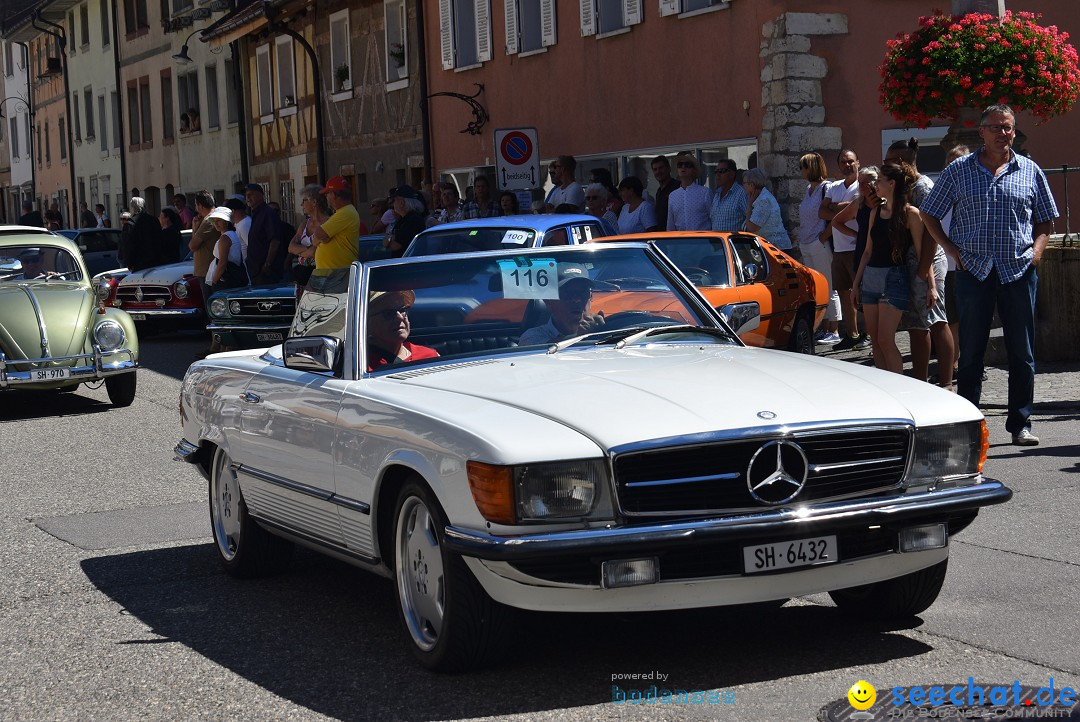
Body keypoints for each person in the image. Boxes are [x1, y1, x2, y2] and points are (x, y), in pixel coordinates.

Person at [921, 105, 1058, 446]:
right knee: (971, 352)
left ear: (1014, 130)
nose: (1002, 133)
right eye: (995, 127)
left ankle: (1021, 423)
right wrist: (952, 252)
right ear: (981, 132)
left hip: (1017, 270)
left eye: (1008, 127)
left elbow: (1045, 221)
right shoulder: (959, 171)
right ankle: (969, 425)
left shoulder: (1029, 170)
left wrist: (1036, 253)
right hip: (974, 271)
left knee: (1022, 352)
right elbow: (929, 213)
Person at [885, 138, 953, 388]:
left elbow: (931, 234)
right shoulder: (903, 187)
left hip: (928, 261)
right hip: (911, 262)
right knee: (916, 323)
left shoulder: (923, 187)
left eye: (889, 162)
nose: (885, 167)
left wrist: (925, 271)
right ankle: (920, 382)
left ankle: (946, 382)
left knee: (935, 319)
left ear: (901, 162)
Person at [851, 162, 925, 375]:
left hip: (894, 278)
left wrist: (930, 285)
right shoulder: (876, 212)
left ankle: (899, 387)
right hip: (871, 277)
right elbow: (867, 251)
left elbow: (921, 253)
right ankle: (886, 388)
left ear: (891, 184)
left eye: (880, 180)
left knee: (885, 339)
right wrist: (856, 285)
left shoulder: (910, 213)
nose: (876, 184)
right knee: (875, 340)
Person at [830, 165, 880, 352]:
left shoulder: (883, 203)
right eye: (860, 183)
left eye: (866, 183)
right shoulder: (858, 203)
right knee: (861, 296)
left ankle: (872, 336)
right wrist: (855, 235)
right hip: (862, 252)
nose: (862, 186)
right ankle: (861, 335)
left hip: (881, 254)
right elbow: (836, 221)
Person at [820, 149, 864, 349]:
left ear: (858, 163)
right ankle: (852, 333)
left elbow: (858, 209)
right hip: (839, 248)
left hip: (858, 248)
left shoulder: (862, 186)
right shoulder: (834, 186)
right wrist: (845, 209)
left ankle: (868, 334)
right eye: (843, 162)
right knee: (844, 292)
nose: (847, 165)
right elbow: (822, 212)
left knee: (863, 293)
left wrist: (836, 209)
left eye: (851, 161)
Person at [796, 152, 840, 345]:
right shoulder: (808, 189)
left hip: (818, 242)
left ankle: (835, 329)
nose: (801, 171)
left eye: (803, 167)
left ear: (811, 168)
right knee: (816, 288)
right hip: (806, 242)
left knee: (829, 285)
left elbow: (834, 216)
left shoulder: (826, 188)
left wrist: (823, 238)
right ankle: (823, 328)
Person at [519, 264, 608, 345]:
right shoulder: (532, 337)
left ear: (590, 298)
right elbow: (543, 349)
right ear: (549, 301)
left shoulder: (605, 332)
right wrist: (580, 336)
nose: (576, 300)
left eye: (583, 293)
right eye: (567, 293)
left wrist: (605, 332)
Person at [366, 290, 439, 371]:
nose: (400, 317)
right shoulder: (361, 366)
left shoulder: (430, 357)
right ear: (367, 323)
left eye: (402, 310)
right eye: (388, 313)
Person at [306, 175, 360, 277]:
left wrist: (319, 239)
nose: (326, 197)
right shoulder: (343, 212)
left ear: (333, 195)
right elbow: (317, 238)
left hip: (337, 275)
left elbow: (318, 234)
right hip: (331, 274)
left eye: (327, 194)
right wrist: (320, 239)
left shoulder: (346, 213)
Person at [742, 168, 792, 253]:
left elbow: (752, 227)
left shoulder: (764, 200)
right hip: (768, 248)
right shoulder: (758, 198)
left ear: (752, 185)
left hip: (777, 248)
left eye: (744, 183)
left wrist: (749, 207)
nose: (743, 186)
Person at [243, 183, 284, 284]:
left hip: (265, 272)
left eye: (251, 194)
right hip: (256, 270)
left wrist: (267, 264)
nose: (248, 197)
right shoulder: (256, 213)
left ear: (261, 195)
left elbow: (275, 240)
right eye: (246, 195)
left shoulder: (268, 214)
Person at [205, 206, 248, 292]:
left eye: (219, 220)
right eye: (214, 221)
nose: (216, 223)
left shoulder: (225, 237)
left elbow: (222, 263)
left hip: (225, 280)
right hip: (231, 278)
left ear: (227, 222)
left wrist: (214, 281)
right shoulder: (232, 234)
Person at [666, 153, 711, 231]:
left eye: (687, 165)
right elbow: (670, 225)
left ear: (694, 170)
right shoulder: (672, 196)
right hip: (680, 241)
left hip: (702, 241)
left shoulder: (705, 193)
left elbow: (713, 219)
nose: (683, 167)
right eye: (680, 165)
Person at [188, 191, 218, 304]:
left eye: (196, 205)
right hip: (208, 270)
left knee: (211, 306)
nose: (196, 209)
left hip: (208, 271)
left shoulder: (208, 220)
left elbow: (192, 245)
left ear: (200, 205)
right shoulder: (212, 217)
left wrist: (195, 228)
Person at [119, 197, 162, 272]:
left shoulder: (130, 224)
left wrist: (129, 263)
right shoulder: (154, 220)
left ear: (132, 208)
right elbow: (160, 240)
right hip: (156, 261)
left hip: (139, 263)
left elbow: (127, 245)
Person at [386, 185, 427, 257]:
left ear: (401, 203)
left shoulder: (413, 220)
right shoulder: (403, 219)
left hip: (408, 264)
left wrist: (388, 240)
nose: (393, 204)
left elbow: (396, 245)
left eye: (394, 200)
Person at [709, 159, 748, 232]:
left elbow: (750, 220)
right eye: (716, 171)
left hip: (734, 242)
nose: (718, 174)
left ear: (732, 174)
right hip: (716, 242)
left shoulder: (741, 194)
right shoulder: (717, 194)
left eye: (722, 171)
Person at [650, 155, 680, 233]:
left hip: (674, 236)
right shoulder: (659, 191)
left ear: (669, 169)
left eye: (661, 168)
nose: (658, 172)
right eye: (655, 169)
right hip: (661, 237)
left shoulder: (677, 187)